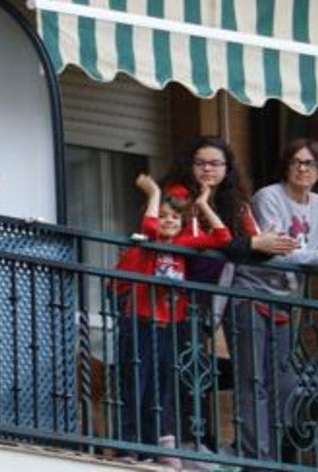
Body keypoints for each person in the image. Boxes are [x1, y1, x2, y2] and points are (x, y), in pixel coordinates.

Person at [230, 139, 318, 467]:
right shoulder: (269, 197)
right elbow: (281, 251)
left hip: (286, 305)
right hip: (251, 295)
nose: (302, 168)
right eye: (296, 162)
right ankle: (255, 457)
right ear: (286, 166)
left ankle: (271, 453)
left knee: (283, 385)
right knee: (253, 381)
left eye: (310, 163)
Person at [161, 136, 297, 450]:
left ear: (227, 168)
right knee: (177, 367)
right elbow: (197, 244)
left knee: (196, 367)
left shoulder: (236, 203)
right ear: (190, 166)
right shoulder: (178, 196)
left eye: (215, 163)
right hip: (177, 291)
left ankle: (234, 448)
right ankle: (176, 442)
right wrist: (250, 245)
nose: (208, 169)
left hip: (212, 296)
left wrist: (271, 244)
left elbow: (252, 247)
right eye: (201, 163)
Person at [112, 174, 232, 466]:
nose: (168, 220)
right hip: (139, 323)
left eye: (175, 216)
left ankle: (156, 445)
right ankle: (128, 447)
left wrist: (203, 203)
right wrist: (154, 192)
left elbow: (223, 238)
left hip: (168, 327)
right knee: (135, 385)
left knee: (160, 386)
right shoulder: (148, 244)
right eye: (163, 215)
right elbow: (149, 226)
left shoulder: (182, 245)